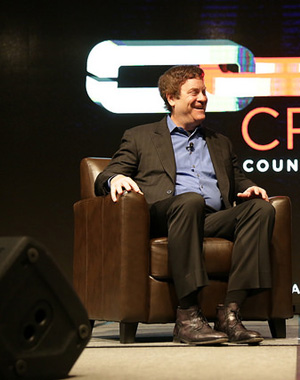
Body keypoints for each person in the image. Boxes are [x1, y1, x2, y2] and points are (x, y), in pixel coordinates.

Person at [95, 65, 275, 345]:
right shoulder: (141, 136)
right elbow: (108, 173)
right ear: (171, 98)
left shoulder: (220, 142)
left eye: (204, 92)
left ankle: (230, 313)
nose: (203, 98)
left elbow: (236, 178)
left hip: (210, 218)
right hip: (167, 214)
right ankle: (188, 316)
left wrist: (247, 187)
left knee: (262, 209)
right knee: (190, 200)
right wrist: (115, 177)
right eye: (194, 92)